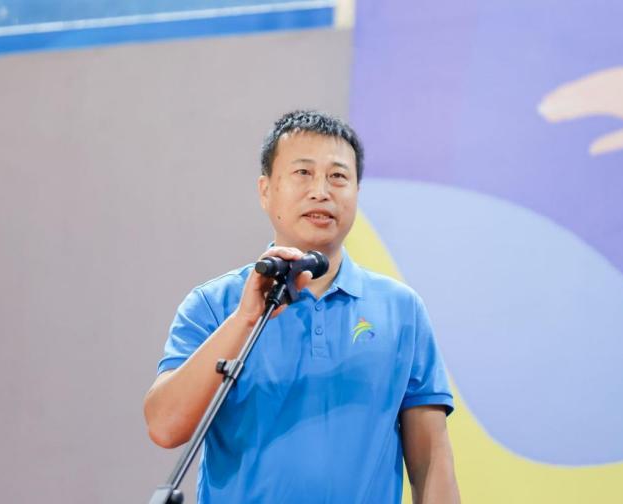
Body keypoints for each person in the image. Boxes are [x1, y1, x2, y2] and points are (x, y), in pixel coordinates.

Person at [144, 110, 461, 503]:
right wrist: (245, 318)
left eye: (338, 177)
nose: (321, 191)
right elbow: (165, 427)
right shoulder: (213, 304)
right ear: (266, 191)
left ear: (357, 193)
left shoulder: (401, 310)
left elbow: (431, 459)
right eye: (303, 173)